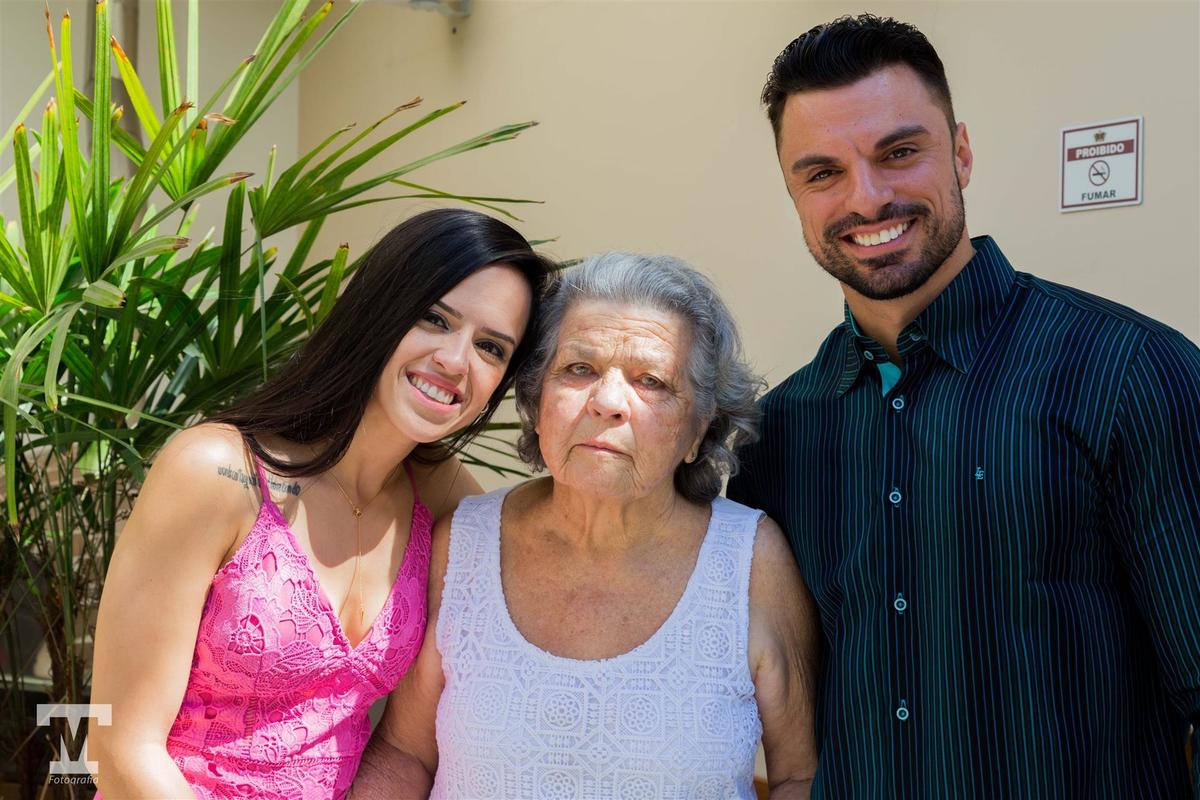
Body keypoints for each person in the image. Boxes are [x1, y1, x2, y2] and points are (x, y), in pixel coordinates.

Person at [726, 13, 1200, 799]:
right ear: (794, 195)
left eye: (899, 152)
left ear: (963, 154)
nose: (868, 198)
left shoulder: (1132, 374)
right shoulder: (775, 437)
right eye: (822, 173)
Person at [89, 208, 553, 799]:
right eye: (435, 318)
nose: (456, 360)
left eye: (491, 347)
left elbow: (551, 556)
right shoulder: (218, 473)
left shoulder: (438, 496)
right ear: (377, 311)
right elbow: (119, 748)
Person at [351, 252, 820, 799]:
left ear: (699, 431)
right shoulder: (465, 542)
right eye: (580, 370)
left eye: (651, 381)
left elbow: (798, 775)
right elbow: (405, 754)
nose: (608, 402)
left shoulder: (750, 560)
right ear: (536, 400)